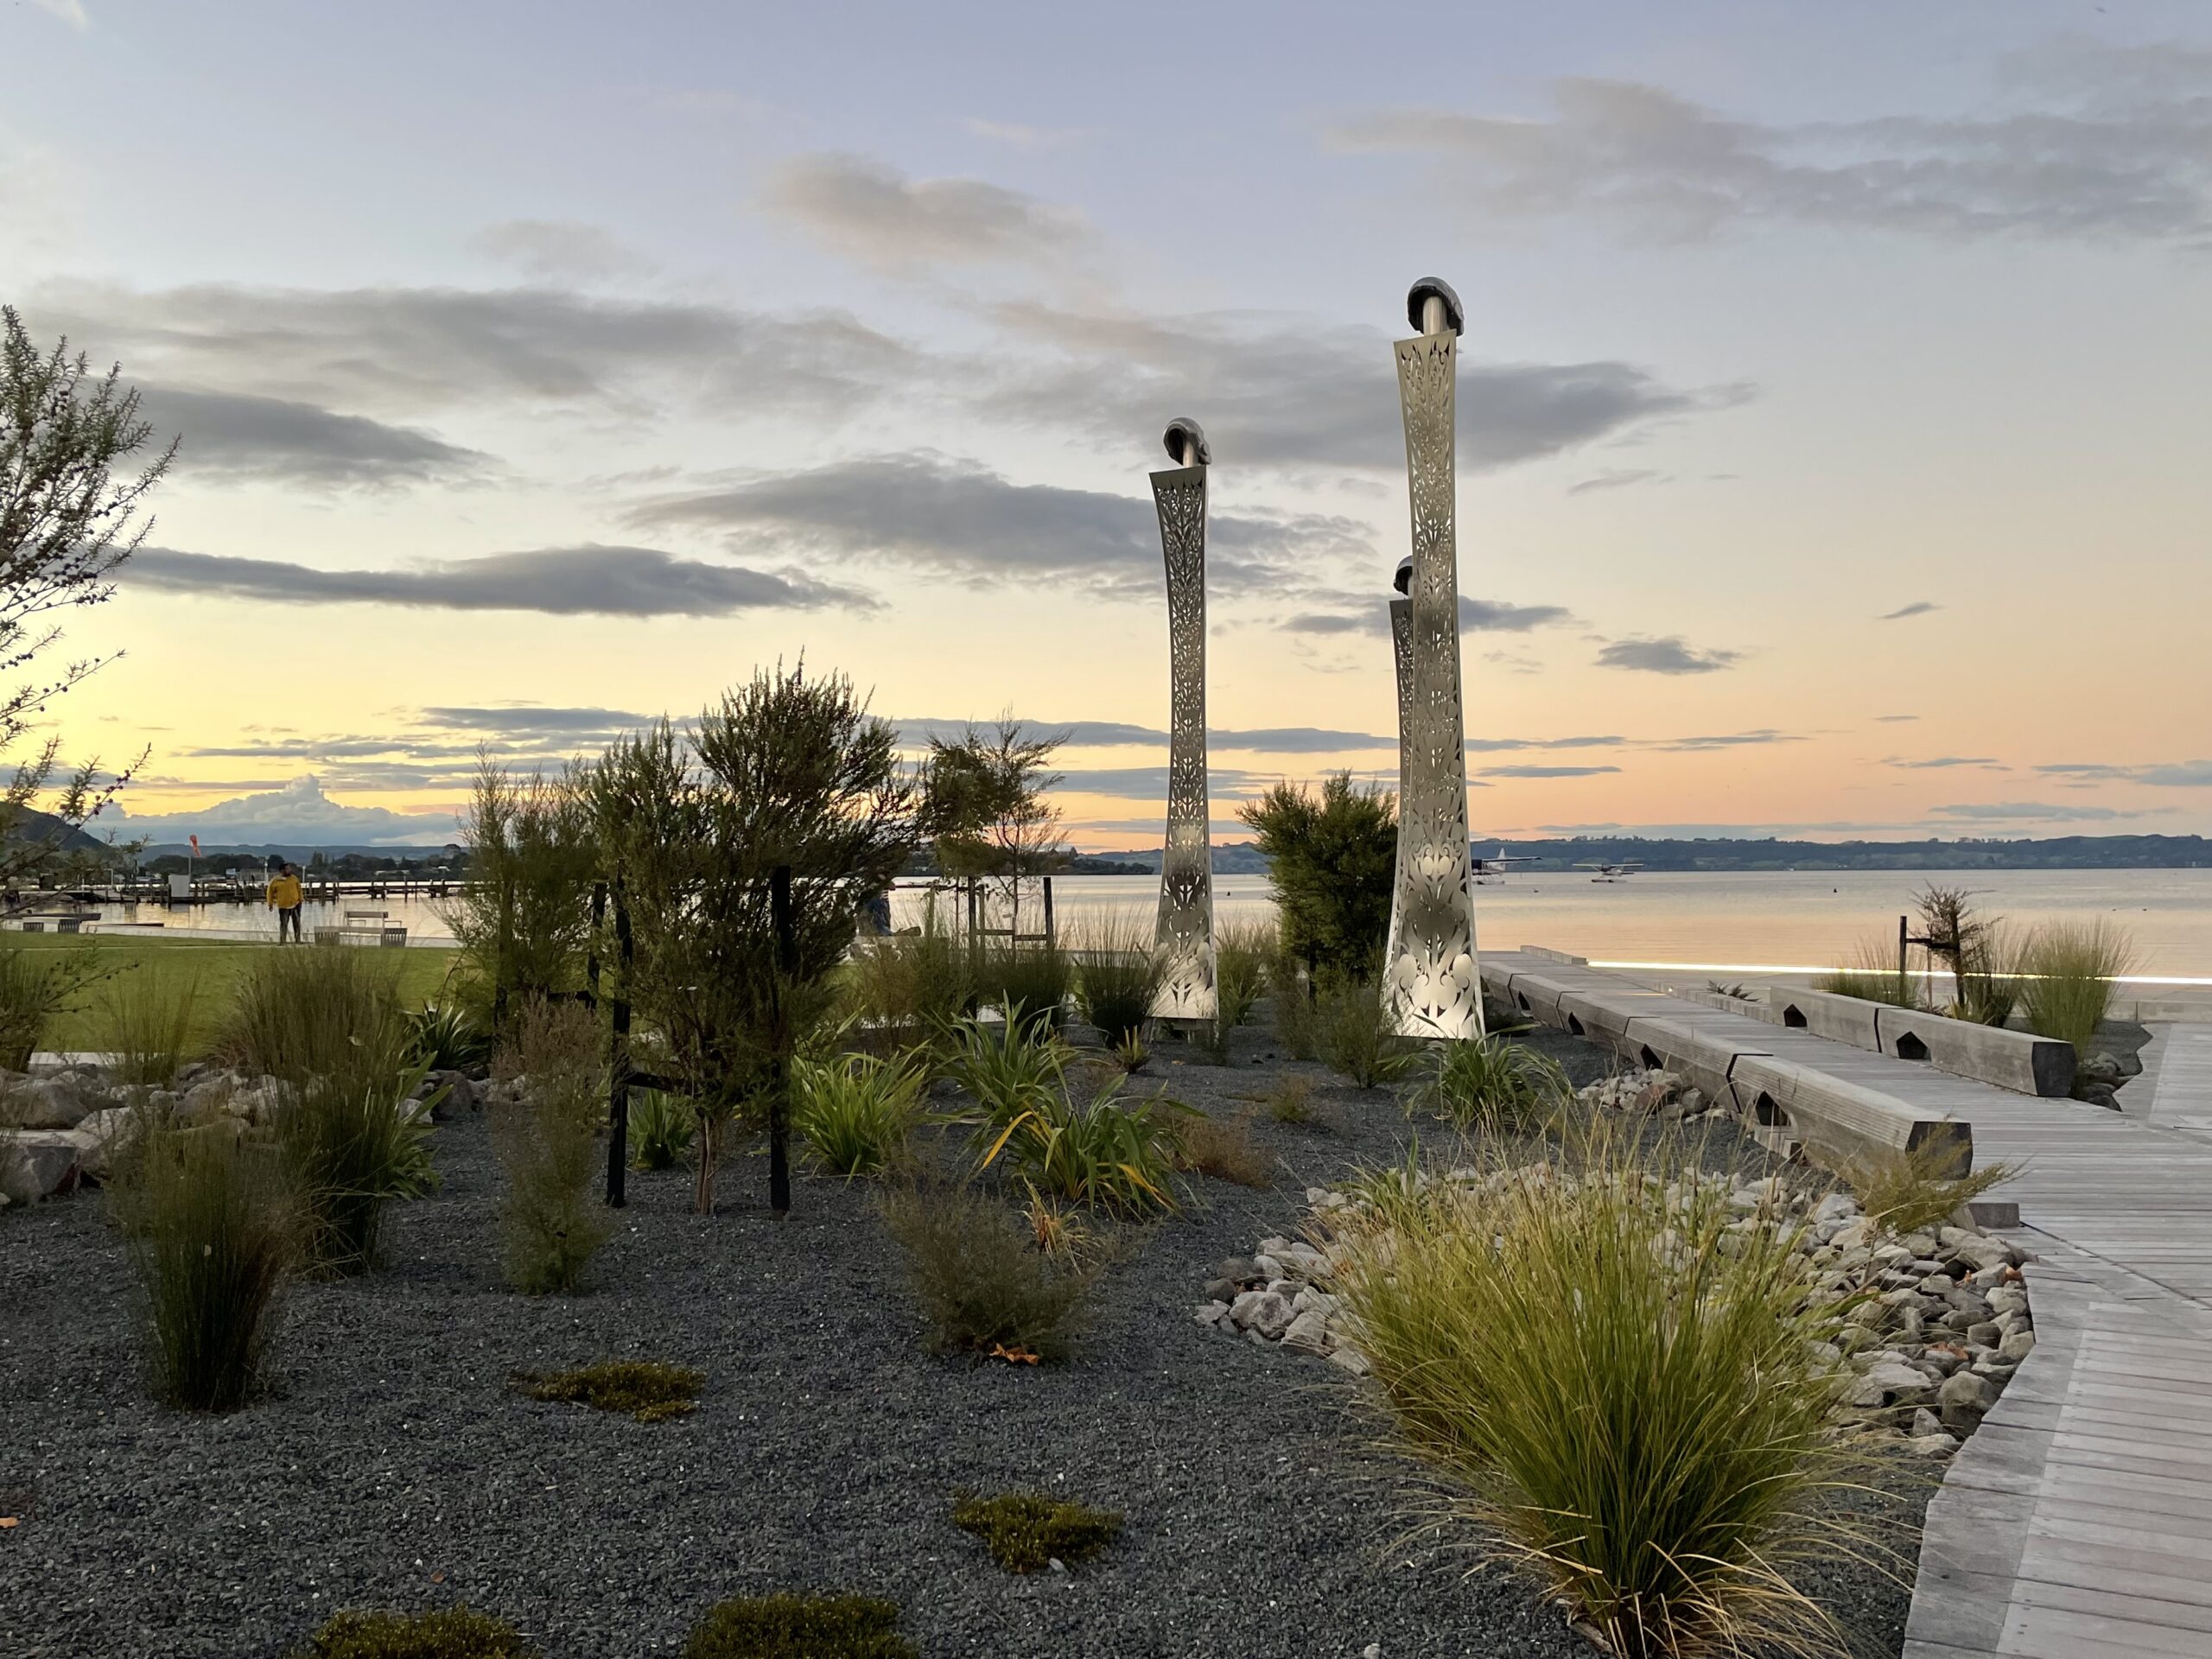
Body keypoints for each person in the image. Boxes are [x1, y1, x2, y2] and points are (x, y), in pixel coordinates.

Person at [266, 861, 303, 943]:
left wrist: (301, 899)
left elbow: (299, 889)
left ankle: (298, 940)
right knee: (284, 923)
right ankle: (282, 941)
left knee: (297, 923)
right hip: (283, 905)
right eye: (287, 869)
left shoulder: (294, 878)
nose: (290, 870)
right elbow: (270, 893)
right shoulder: (275, 880)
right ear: (282, 871)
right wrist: (270, 904)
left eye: (289, 868)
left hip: (296, 904)